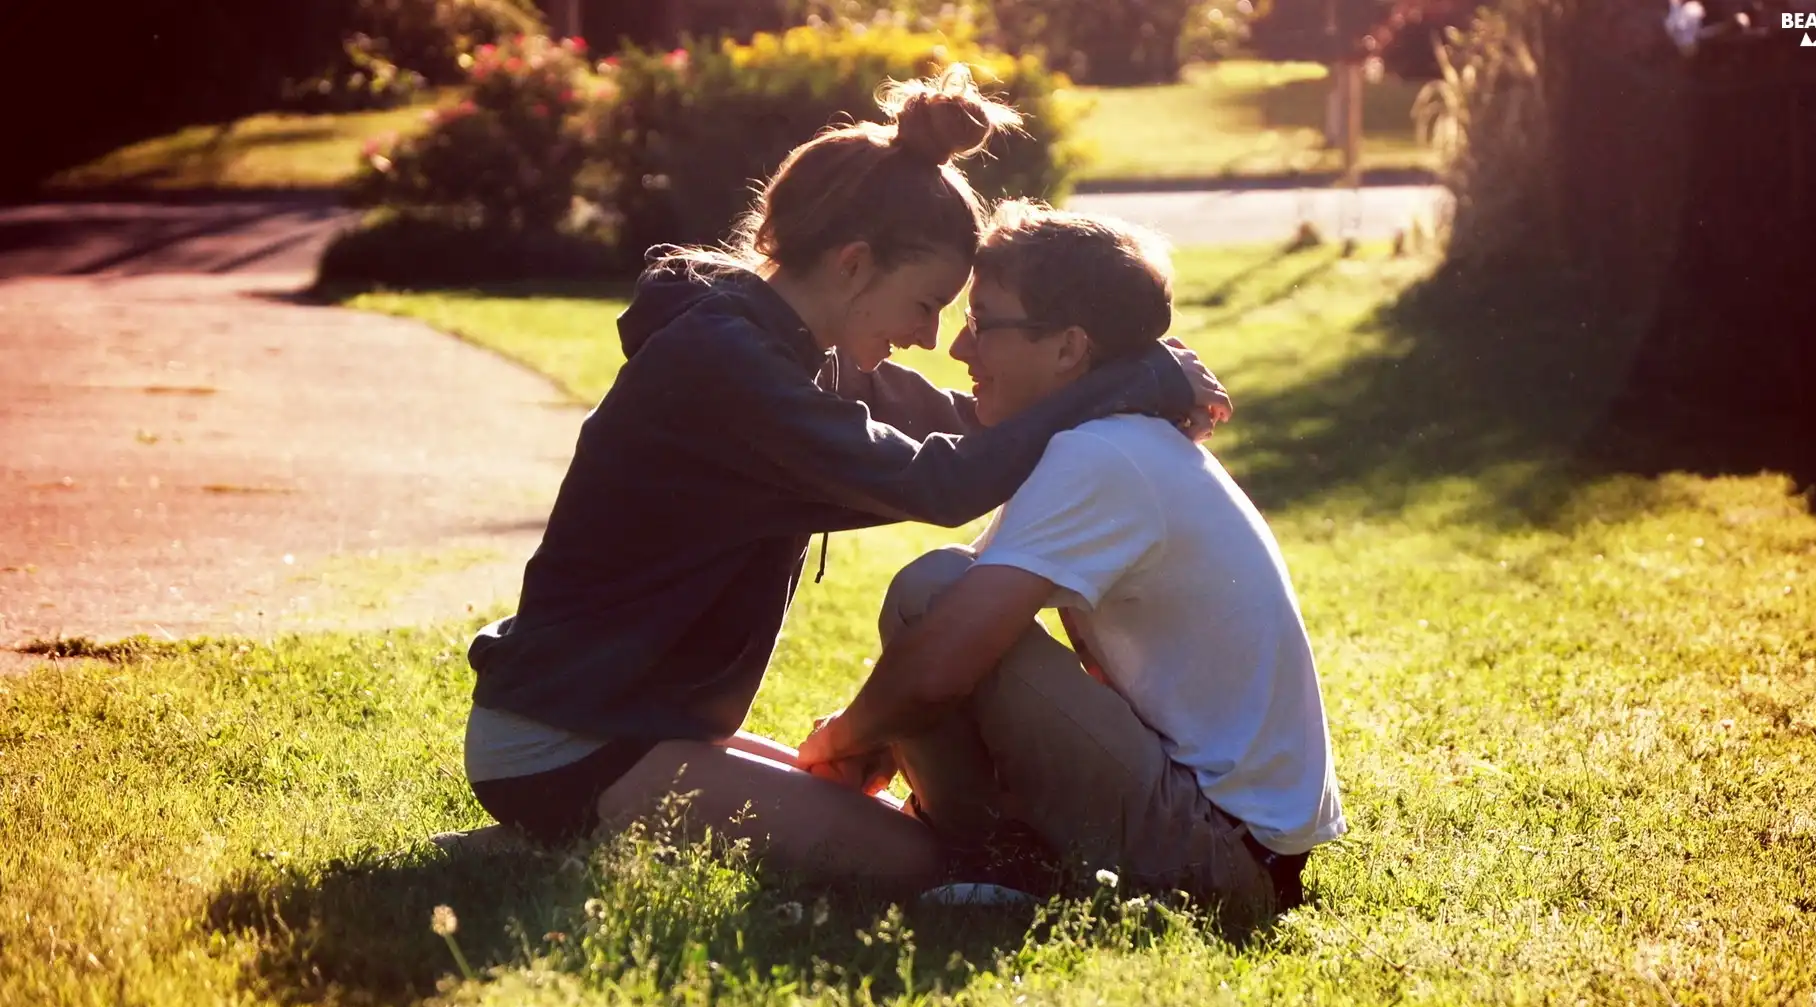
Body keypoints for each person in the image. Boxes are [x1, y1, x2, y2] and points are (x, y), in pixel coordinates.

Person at [451, 68, 1231, 895]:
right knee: (922, 863)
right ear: (855, 264)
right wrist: (1126, 382)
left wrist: (1098, 372)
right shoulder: (726, 366)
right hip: (566, 739)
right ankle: (558, 821)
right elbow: (941, 483)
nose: (930, 339)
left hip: (630, 725)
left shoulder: (786, 348)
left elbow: (973, 428)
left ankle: (560, 828)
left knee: (864, 814)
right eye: (927, 303)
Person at [797, 202, 1345, 914]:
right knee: (943, 596)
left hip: (1223, 860)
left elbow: (940, 662)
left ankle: (997, 865)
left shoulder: (1103, 455)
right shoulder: (1106, 443)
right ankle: (993, 854)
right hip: (1232, 842)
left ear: (1068, 349)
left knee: (929, 592)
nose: (960, 351)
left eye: (982, 323)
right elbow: (954, 651)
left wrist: (840, 739)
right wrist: (876, 736)